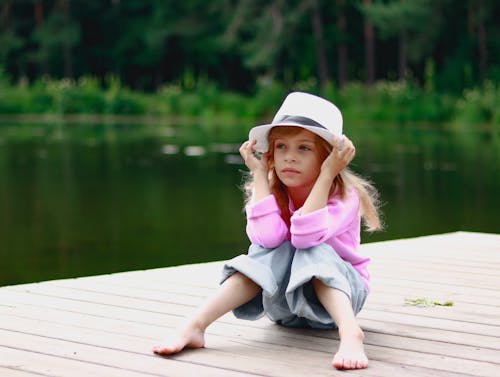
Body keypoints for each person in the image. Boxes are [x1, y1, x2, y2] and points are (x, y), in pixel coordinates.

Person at [153, 92, 382, 370]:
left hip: (339, 303)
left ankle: (350, 334)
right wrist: (260, 175)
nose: (290, 158)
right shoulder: (273, 190)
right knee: (269, 249)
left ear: (329, 157)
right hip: (286, 307)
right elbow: (267, 239)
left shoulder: (345, 196)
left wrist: (326, 176)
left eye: (304, 148)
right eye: (282, 147)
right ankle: (194, 325)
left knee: (311, 248)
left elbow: (305, 237)